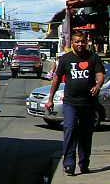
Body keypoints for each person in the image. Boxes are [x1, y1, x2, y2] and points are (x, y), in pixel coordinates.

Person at [44, 30, 105, 176]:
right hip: (70, 102)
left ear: (86, 42)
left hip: (88, 103)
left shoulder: (93, 57)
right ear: (71, 43)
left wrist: (98, 86)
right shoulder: (65, 59)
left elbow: (100, 74)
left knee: (85, 134)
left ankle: (84, 164)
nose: (80, 44)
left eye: (82, 41)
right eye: (77, 41)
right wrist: (50, 98)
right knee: (70, 130)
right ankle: (69, 164)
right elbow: (57, 79)